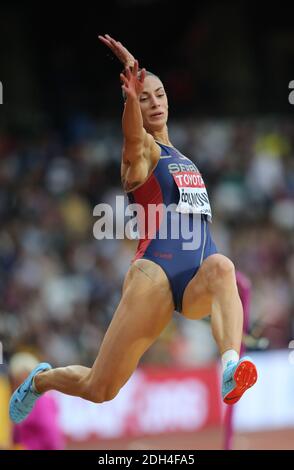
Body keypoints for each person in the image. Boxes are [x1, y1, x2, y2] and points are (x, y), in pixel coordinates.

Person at [9, 34, 258, 424]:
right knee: (100, 389)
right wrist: (130, 98)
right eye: (146, 99)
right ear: (134, 107)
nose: (155, 103)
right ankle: (42, 381)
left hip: (197, 276)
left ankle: (229, 370)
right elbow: (132, 137)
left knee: (224, 267)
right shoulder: (141, 155)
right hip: (154, 275)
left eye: (159, 95)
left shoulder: (185, 159)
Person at [8, 352, 65, 449]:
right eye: (14, 379)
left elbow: (51, 436)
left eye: (19, 378)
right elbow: (16, 436)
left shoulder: (41, 401)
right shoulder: (21, 400)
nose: (14, 383)